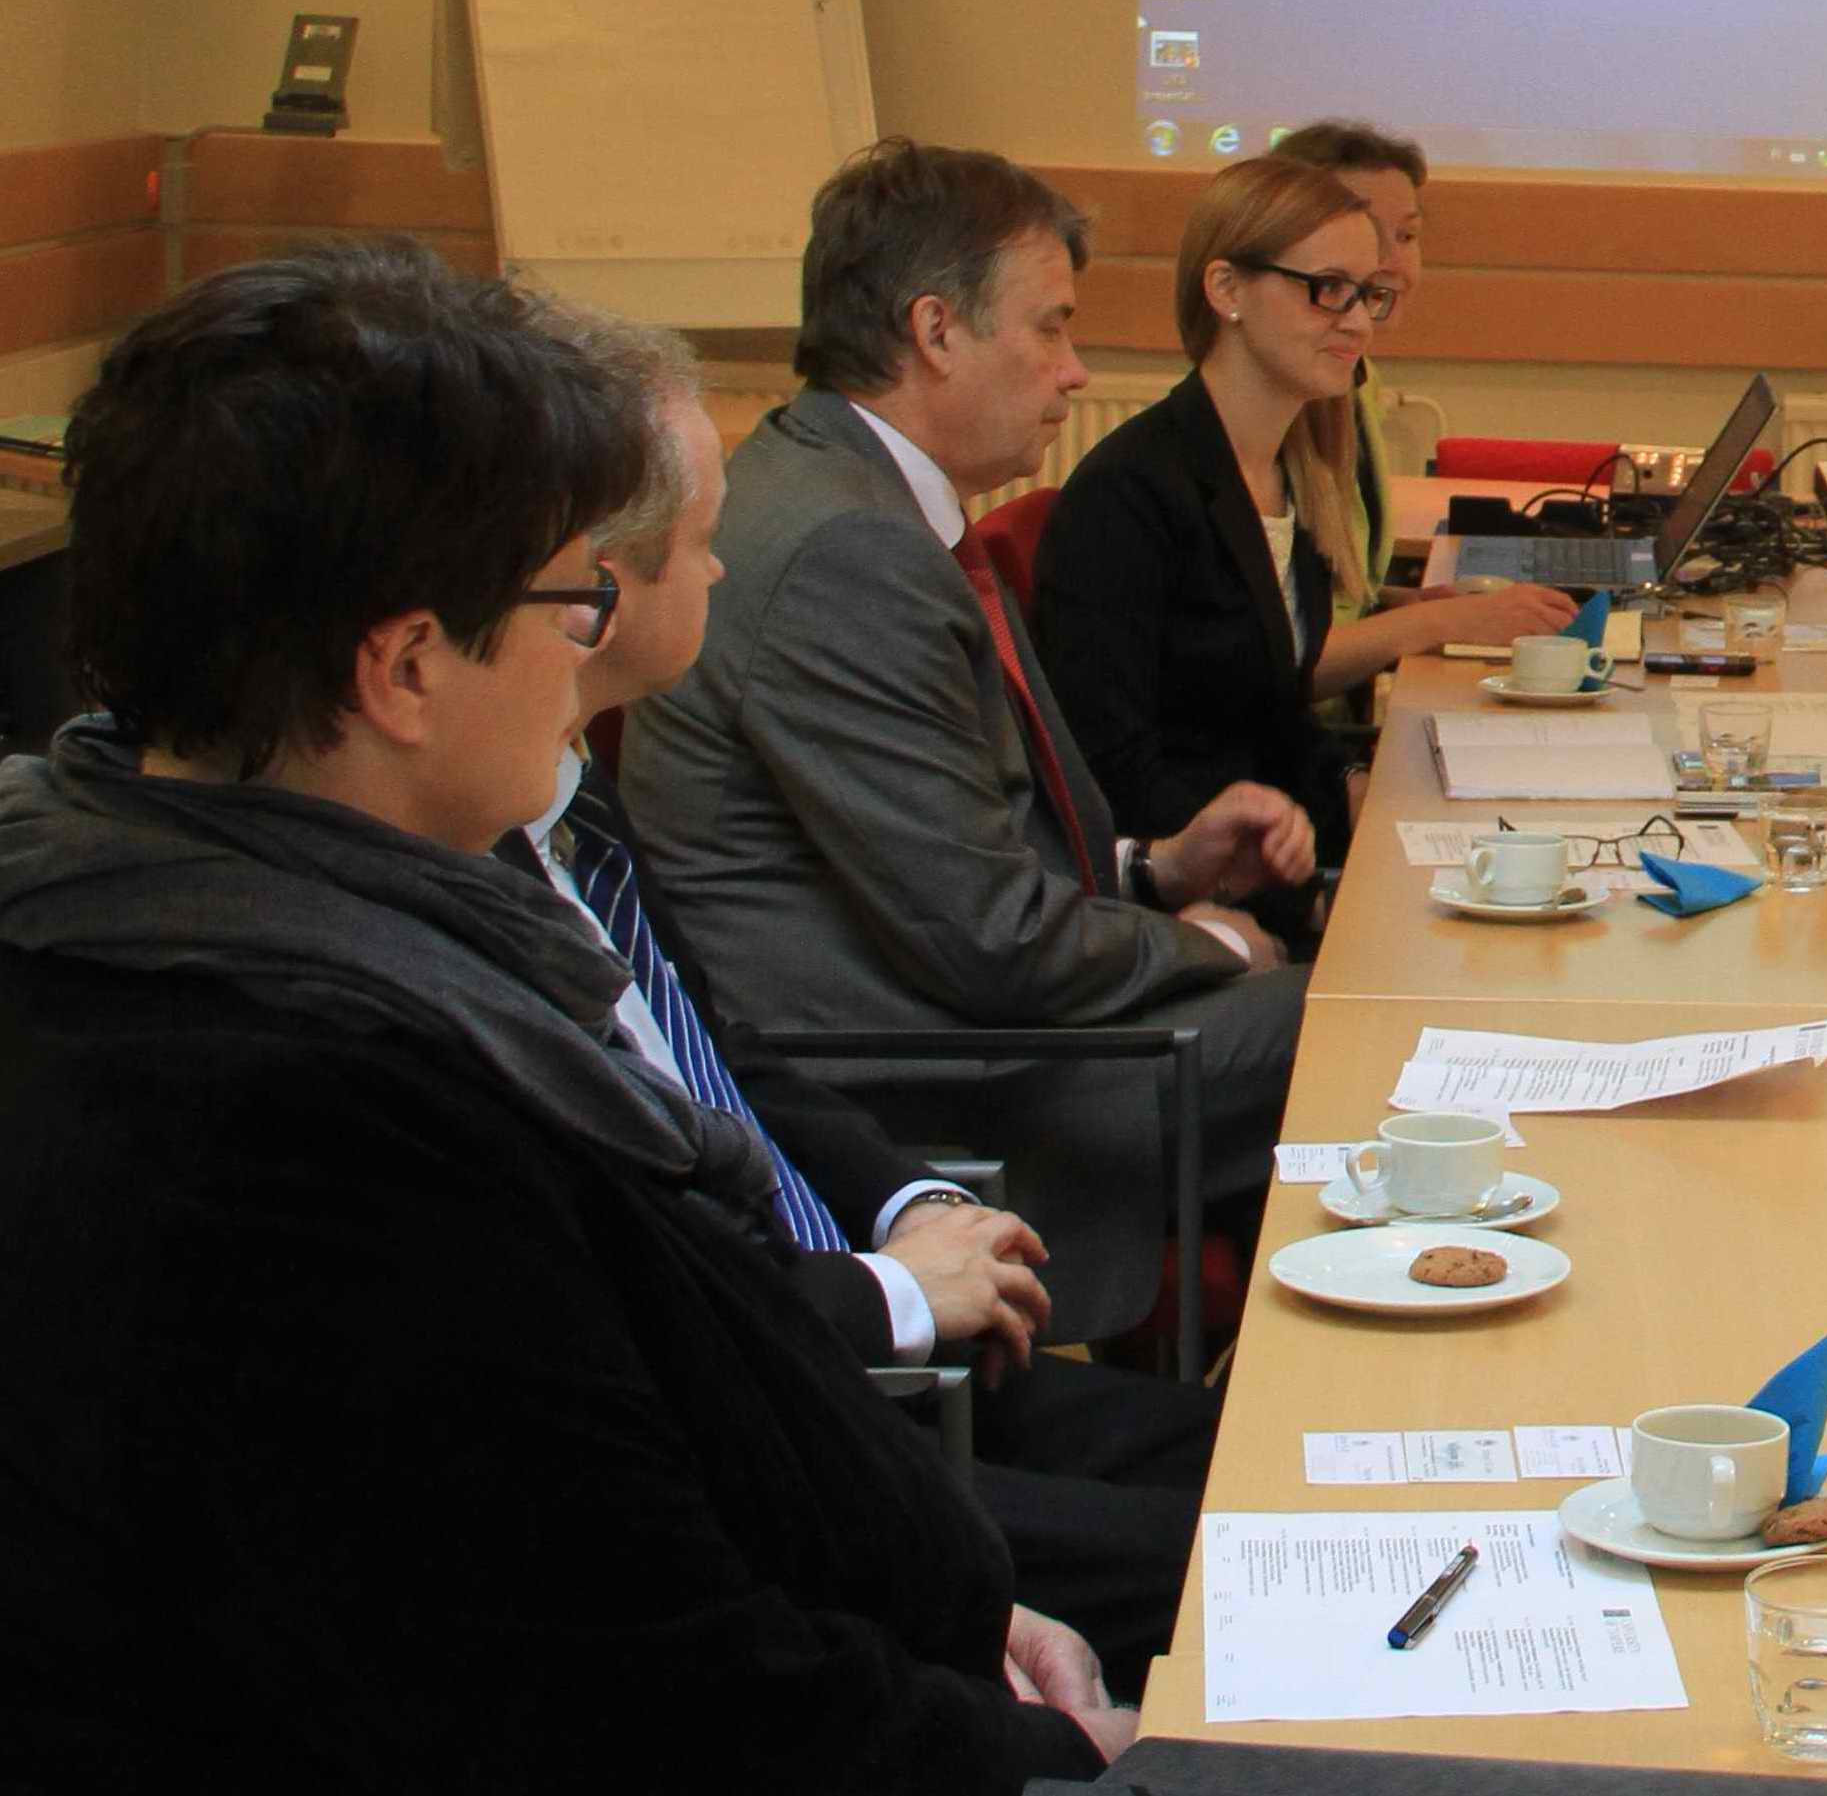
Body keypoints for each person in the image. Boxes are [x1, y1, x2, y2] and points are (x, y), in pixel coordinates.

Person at [0, 241, 1119, 1785]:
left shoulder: (163, 901)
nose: (591, 638)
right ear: (405, 670)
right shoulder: (334, 1122)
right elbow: (655, 1695)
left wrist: (966, 1615)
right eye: (573, 597)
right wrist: (1047, 1747)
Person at [534, 304, 1215, 1691]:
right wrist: (885, 1290)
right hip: (803, 1398)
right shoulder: (471, 881)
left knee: (1281, 1455)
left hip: (861, 1328)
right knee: (1256, 1548)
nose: (723, 564)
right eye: (701, 541)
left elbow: (723, 1061)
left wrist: (910, 1203)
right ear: (595, 588)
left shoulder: (561, 799)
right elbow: (632, 1302)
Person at [621, 139, 1315, 1342]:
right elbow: (988, 938)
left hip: (952, 1005)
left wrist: (1155, 870)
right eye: (1049, 328)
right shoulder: (847, 548)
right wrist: (1202, 942)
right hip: (927, 1073)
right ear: (936, 330)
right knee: (1365, 1018)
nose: (1073, 370)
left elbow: (954, 854)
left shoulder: (852, 492)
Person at [1030, 156, 1396, 869]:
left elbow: (1266, 713)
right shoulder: (1128, 495)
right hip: (1181, 879)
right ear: (1227, 289)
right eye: (1327, 289)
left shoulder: (1290, 474)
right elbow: (1110, 770)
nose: (1357, 322)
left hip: (1265, 856)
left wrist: (1351, 789)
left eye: (1366, 294)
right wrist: (1281, 884)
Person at [1268, 117, 1576, 744]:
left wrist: (1406, 605)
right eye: (1359, 234)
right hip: (1296, 752)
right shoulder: (1273, 415)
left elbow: (1320, 598)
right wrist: (1436, 625)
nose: (1390, 262)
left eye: (1406, 235)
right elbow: (1274, 657)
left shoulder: (1355, 381)